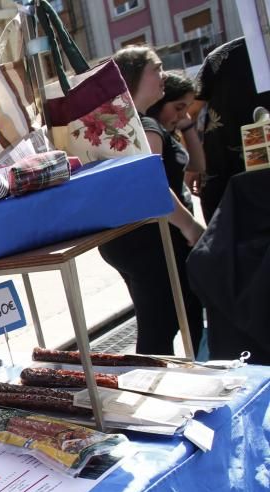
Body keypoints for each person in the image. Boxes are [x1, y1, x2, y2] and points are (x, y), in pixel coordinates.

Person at [98, 47, 206, 355]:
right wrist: (191, 227)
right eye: (155, 69)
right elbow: (150, 184)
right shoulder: (143, 127)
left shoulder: (125, 124)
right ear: (133, 76)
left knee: (163, 323)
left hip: (133, 239)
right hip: (153, 240)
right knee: (162, 326)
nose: (162, 75)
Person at [191, 37, 270, 222]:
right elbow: (189, 110)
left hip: (226, 178)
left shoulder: (220, 56)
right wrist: (194, 162)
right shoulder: (220, 57)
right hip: (224, 174)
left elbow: (189, 111)